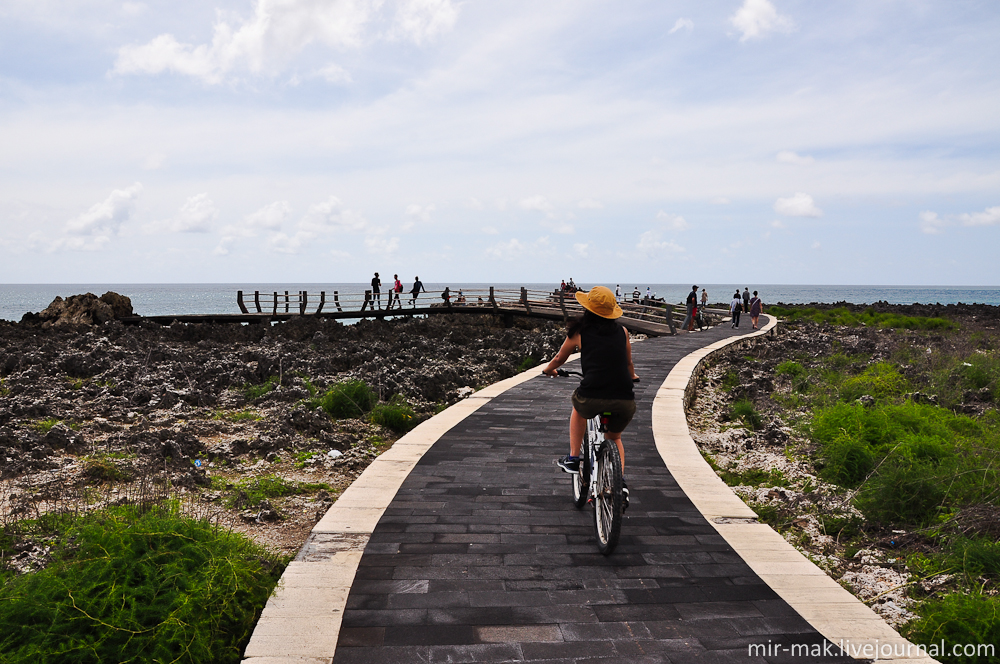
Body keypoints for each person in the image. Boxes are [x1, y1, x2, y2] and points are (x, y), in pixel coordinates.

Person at [542, 286, 637, 508]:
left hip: (592, 395)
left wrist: (549, 370)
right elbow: (629, 363)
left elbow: (559, 358)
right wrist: (632, 376)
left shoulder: (579, 332)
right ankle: (620, 483)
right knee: (615, 438)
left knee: (578, 408)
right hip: (624, 398)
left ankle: (574, 458)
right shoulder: (622, 332)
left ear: (588, 308)